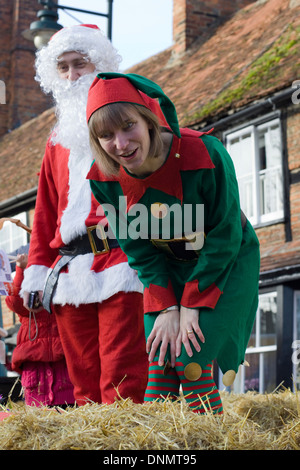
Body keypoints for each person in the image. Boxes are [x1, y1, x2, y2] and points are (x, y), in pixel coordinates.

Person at [86, 73, 260, 414]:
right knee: (161, 359)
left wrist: (193, 303)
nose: (120, 144)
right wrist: (166, 306)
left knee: (190, 362)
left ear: (148, 120)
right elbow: (138, 250)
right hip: (168, 268)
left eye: (127, 126)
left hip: (224, 262)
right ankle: (155, 447)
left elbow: (225, 235)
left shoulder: (205, 153)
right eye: (106, 135)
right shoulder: (104, 178)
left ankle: (207, 444)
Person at [21, 25, 149, 406]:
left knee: (122, 380)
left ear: (101, 65)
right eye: (63, 67)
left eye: (81, 64)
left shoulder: (128, 120)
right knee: (83, 389)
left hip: (121, 260)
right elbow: (45, 211)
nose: (73, 75)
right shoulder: (55, 140)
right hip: (70, 270)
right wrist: (37, 269)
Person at [5, 253, 74, 407]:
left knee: (68, 410)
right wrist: (22, 270)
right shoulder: (29, 282)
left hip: (63, 364)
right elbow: (14, 302)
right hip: (35, 367)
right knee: (39, 419)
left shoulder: (63, 276)